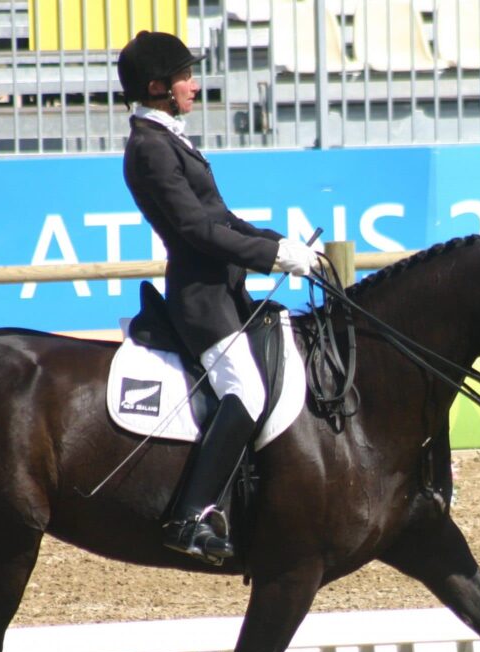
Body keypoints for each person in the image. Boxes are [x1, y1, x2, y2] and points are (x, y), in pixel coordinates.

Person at [117, 30, 321, 565]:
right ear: (158, 86)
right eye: (185, 77)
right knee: (246, 392)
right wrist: (272, 260)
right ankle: (190, 516)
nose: (194, 85)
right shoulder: (149, 147)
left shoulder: (172, 139)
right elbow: (195, 232)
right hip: (200, 298)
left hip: (226, 290)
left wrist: (278, 242)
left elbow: (223, 218)